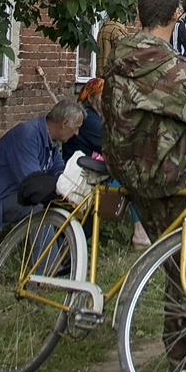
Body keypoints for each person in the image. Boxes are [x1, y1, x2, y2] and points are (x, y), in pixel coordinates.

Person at [102, 0, 186, 370]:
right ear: (177, 14)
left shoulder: (114, 63)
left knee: (176, 260)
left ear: (139, 14)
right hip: (172, 180)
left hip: (129, 180)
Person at [0, 99, 84, 231]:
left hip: (15, 194)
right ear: (65, 123)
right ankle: (49, 246)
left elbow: (59, 170)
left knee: (65, 209)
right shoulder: (27, 135)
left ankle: (65, 245)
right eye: (76, 128)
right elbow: (32, 183)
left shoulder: (50, 139)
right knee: (42, 211)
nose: (77, 133)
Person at [65, 77, 151, 248]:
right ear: (91, 98)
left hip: (94, 168)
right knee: (133, 181)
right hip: (83, 173)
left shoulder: (99, 116)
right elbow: (113, 145)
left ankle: (143, 231)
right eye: (103, 95)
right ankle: (140, 235)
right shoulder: (88, 118)